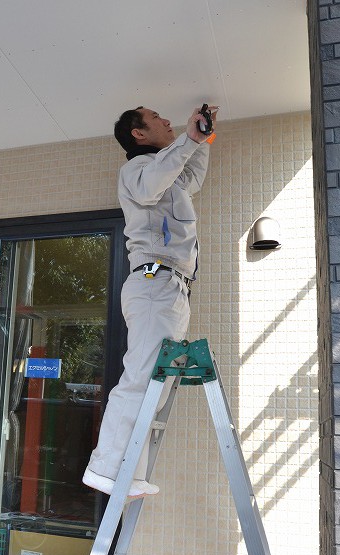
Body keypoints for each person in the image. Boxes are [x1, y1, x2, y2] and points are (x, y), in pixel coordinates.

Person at [82, 104, 217, 498]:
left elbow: (190, 176)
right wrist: (189, 138)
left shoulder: (166, 174)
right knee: (142, 377)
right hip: (154, 280)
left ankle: (129, 470)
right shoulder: (137, 172)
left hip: (169, 285)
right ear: (138, 134)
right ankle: (106, 468)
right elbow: (156, 180)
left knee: (155, 381)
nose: (166, 121)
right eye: (156, 117)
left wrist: (203, 138)